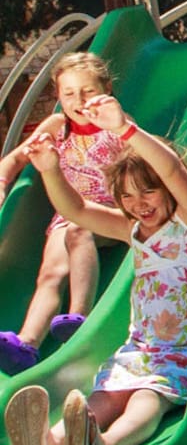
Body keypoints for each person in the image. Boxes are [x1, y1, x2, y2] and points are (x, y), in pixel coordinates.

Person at [3, 96, 187, 445]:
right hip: (144, 347)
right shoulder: (132, 232)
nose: (138, 204)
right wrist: (49, 170)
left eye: (148, 192)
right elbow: (77, 211)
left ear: (166, 191)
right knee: (104, 394)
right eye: (127, 196)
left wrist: (125, 130)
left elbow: (175, 170)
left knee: (148, 397)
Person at [0, 52, 128, 375]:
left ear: (107, 89)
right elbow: (16, 159)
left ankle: (78, 318)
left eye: (87, 91)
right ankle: (27, 344)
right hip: (66, 213)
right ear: (58, 96)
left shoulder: (115, 124)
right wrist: (2, 182)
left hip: (109, 213)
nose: (79, 100)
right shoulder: (58, 126)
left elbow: (143, 159)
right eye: (69, 93)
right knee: (50, 274)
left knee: (78, 231)